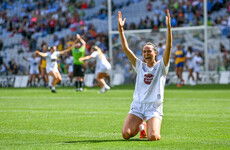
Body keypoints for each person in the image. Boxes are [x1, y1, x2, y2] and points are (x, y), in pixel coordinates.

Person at [118, 9, 172, 141]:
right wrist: (120, 30)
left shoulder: (161, 66)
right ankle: (141, 125)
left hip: (153, 107)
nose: (146, 54)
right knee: (126, 134)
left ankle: (148, 124)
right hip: (138, 105)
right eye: (144, 51)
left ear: (155, 53)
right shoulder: (139, 65)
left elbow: (169, 47)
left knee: (153, 137)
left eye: (149, 51)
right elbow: (125, 49)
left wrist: (169, 28)